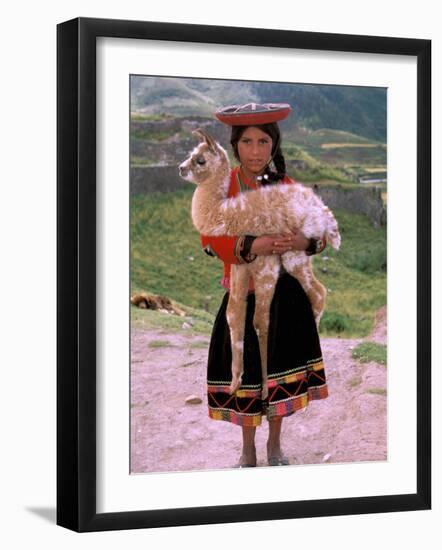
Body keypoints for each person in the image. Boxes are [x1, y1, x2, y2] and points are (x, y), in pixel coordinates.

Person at [200, 102, 329, 468]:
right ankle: (247, 449)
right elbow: (209, 238)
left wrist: (303, 243)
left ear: (273, 146)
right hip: (243, 297)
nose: (255, 151)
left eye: (263, 142)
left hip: (284, 298)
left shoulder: (286, 186)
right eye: (247, 142)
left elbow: (317, 230)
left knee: (278, 376)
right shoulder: (222, 188)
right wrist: (251, 245)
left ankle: (274, 445)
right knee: (246, 378)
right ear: (235, 146)